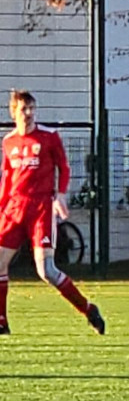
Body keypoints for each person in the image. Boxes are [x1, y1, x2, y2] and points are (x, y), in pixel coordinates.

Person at [0, 90, 105, 336]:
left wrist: (61, 195)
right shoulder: (9, 141)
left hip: (40, 208)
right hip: (14, 208)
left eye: (32, 108)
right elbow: (8, 177)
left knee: (46, 270)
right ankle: (1, 322)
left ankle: (88, 309)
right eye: (23, 109)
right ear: (13, 112)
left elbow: (63, 167)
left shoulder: (48, 136)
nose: (28, 113)